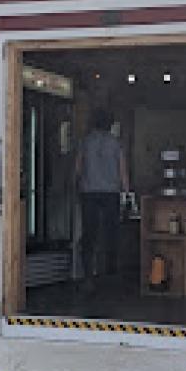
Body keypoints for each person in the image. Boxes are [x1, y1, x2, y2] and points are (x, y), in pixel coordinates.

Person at [75, 108, 129, 292]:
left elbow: (78, 168)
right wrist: (127, 192)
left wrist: (77, 184)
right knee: (110, 233)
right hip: (110, 193)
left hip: (89, 192)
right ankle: (110, 275)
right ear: (109, 124)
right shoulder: (116, 143)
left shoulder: (86, 142)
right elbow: (123, 171)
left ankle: (88, 277)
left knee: (89, 234)